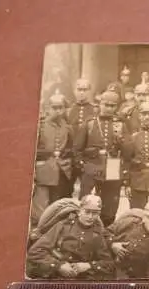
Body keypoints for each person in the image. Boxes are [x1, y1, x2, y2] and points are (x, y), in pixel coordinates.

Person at [73, 89, 132, 227]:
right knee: (85, 202)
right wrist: (84, 166)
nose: (109, 108)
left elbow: (129, 152)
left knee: (110, 205)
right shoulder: (90, 123)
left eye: (112, 106)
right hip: (92, 165)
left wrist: (121, 138)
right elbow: (77, 149)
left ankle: (106, 233)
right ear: (100, 104)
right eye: (106, 105)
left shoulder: (121, 124)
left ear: (116, 107)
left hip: (113, 165)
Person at [27, 190, 115, 279]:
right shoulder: (63, 226)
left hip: (80, 278)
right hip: (54, 275)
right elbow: (35, 251)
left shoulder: (98, 233)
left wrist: (88, 265)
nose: (90, 217)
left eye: (95, 213)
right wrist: (58, 266)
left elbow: (108, 263)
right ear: (79, 211)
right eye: (87, 212)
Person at [31, 90, 73, 226]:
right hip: (43, 170)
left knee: (57, 207)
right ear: (48, 108)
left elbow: (71, 148)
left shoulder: (67, 128)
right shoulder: (40, 126)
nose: (58, 111)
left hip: (61, 171)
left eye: (61, 108)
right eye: (54, 108)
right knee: (40, 208)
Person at [107, 195, 149, 278]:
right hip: (109, 265)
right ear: (144, 217)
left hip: (133, 277)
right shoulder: (129, 222)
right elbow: (104, 233)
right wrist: (112, 244)